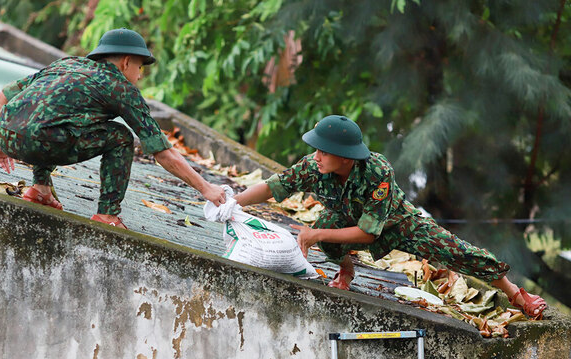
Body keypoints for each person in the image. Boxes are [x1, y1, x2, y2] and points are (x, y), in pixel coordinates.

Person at [233, 115, 546, 319]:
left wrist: (314, 235)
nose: (316, 156)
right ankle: (346, 270)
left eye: (323, 151)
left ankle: (515, 293)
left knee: (455, 251)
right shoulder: (314, 166)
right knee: (326, 228)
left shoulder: (377, 170)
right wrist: (233, 202)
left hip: (400, 225)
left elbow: (369, 233)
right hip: (347, 222)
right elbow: (275, 186)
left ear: (344, 156)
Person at [0, 28, 225, 228]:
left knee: (58, 121)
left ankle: (41, 190)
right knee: (122, 136)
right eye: (140, 68)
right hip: (42, 143)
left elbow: (4, 95)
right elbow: (162, 151)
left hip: (7, 134)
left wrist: (2, 143)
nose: (140, 76)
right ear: (126, 62)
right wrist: (206, 188)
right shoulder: (121, 88)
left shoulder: (67, 63)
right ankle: (107, 214)